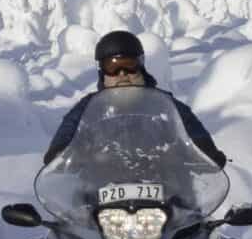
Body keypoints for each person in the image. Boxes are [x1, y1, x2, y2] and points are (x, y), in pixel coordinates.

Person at [44, 30, 227, 166]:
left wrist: (204, 151)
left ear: (140, 66)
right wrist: (61, 153)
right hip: (98, 194)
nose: (122, 74)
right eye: (113, 67)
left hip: (167, 192)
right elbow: (68, 131)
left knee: (193, 216)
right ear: (103, 72)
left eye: (129, 65)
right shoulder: (87, 108)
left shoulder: (167, 105)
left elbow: (192, 130)